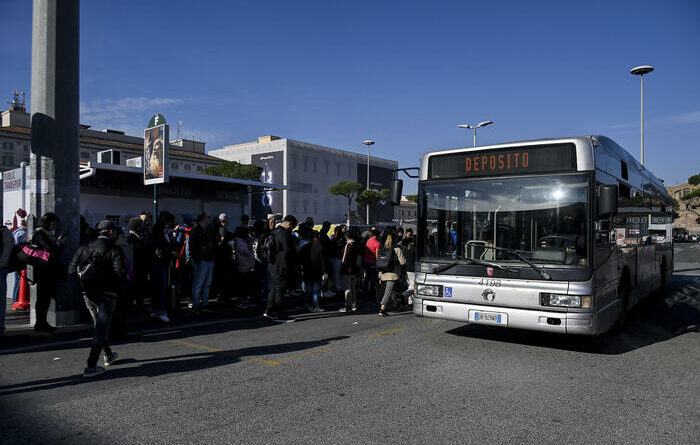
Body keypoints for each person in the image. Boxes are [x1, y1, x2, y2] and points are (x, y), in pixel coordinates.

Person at [69, 220, 126, 377]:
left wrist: (83, 287)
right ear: (110, 232)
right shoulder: (115, 250)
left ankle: (108, 354)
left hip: (88, 293)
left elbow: (72, 270)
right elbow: (120, 273)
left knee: (99, 325)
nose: (116, 234)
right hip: (108, 294)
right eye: (115, 231)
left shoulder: (84, 248)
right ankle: (91, 366)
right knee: (101, 329)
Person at [31, 212, 68, 332]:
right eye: (53, 223)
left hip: (46, 270)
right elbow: (50, 251)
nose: (55, 226)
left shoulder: (44, 234)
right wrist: (60, 244)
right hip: (44, 270)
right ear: (47, 222)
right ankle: (40, 323)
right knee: (43, 298)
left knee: (45, 298)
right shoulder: (40, 233)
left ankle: (42, 322)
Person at [264, 214, 298, 322]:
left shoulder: (275, 230)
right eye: (292, 226)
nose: (292, 229)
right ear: (289, 223)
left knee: (274, 289)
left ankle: (268, 312)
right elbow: (288, 251)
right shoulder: (285, 234)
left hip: (272, 264)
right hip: (281, 265)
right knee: (280, 290)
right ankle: (280, 314)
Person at [148, 212, 175, 323]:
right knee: (161, 288)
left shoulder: (159, 233)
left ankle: (156, 309)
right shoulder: (160, 235)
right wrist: (170, 254)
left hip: (159, 263)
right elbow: (160, 251)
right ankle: (160, 310)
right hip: (160, 263)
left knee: (158, 288)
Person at [187, 213, 215, 311]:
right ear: (202, 219)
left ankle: (205, 303)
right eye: (208, 217)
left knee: (207, 283)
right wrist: (197, 259)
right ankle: (196, 304)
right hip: (201, 260)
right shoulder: (195, 231)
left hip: (208, 259)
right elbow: (192, 247)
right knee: (198, 284)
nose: (209, 219)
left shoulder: (208, 230)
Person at [377, 230, 406, 317]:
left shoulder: (382, 249)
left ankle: (398, 303)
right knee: (388, 292)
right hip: (393, 274)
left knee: (392, 291)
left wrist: (379, 276)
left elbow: (379, 263)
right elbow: (403, 262)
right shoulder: (397, 249)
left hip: (383, 274)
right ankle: (382, 309)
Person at [299, 230, 326, 312]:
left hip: (307, 270)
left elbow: (300, 259)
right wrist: (325, 271)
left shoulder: (305, 247)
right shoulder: (320, 247)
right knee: (316, 289)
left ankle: (308, 304)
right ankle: (315, 305)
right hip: (317, 271)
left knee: (309, 288)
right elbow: (323, 261)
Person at [213, 213, 235, 306]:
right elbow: (222, 241)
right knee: (225, 279)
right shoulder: (222, 229)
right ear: (224, 221)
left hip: (220, 258)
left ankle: (222, 296)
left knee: (221, 279)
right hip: (224, 258)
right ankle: (223, 297)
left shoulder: (219, 229)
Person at [339, 228, 361, 313]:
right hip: (355, 269)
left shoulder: (348, 245)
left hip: (347, 269)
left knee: (348, 288)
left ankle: (348, 306)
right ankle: (354, 305)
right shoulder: (356, 244)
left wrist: (342, 265)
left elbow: (344, 258)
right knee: (353, 288)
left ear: (346, 237)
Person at [234, 225, 256, 307]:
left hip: (243, 265)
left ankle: (243, 299)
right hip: (243, 265)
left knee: (243, 284)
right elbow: (247, 252)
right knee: (243, 285)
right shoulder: (240, 242)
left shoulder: (238, 241)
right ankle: (241, 301)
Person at [0, 223, 15, 335]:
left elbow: (8, 249)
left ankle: (0, 325)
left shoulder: (4, 232)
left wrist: (2, 264)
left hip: (0, 268)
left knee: (0, 297)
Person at [11, 220, 27, 304]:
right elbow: (20, 247)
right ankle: (16, 300)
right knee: (19, 280)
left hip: (14, 258)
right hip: (19, 259)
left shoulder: (16, 231)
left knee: (17, 280)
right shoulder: (23, 234)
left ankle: (15, 299)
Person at [363, 229, 381, 298]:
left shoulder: (368, 240)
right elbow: (377, 256)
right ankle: (371, 293)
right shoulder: (377, 243)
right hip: (373, 262)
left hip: (366, 261)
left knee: (367, 277)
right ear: (377, 235)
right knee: (373, 279)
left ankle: (365, 292)